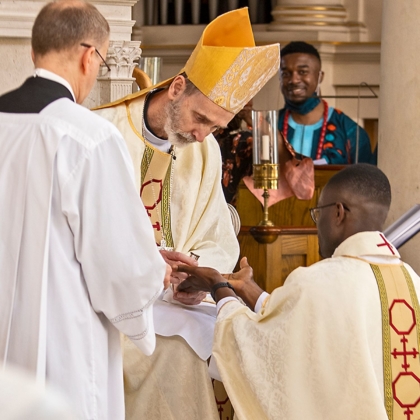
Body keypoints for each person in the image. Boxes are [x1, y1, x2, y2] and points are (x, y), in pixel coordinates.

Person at [94, 7, 282, 419]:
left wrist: (196, 273)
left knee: (228, 341)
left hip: (173, 303)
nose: (201, 134)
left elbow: (217, 235)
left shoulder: (205, 151)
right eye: (200, 118)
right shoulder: (102, 134)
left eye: (215, 127)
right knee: (176, 355)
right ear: (177, 87)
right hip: (109, 303)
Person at [0, 1, 169, 419]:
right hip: (62, 345)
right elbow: (120, 266)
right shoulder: (88, 136)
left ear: (36, 52)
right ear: (89, 55)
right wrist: (155, 272)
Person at [177, 164, 420, 420]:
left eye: (318, 213)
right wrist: (247, 288)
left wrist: (218, 287)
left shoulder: (323, 280)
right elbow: (301, 323)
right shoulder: (412, 283)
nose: (317, 226)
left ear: (338, 212)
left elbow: (257, 348)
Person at [279, 41, 377, 165]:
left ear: (320, 76)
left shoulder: (350, 132)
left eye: (302, 72)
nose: (293, 80)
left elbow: (365, 181)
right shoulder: (270, 125)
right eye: (286, 74)